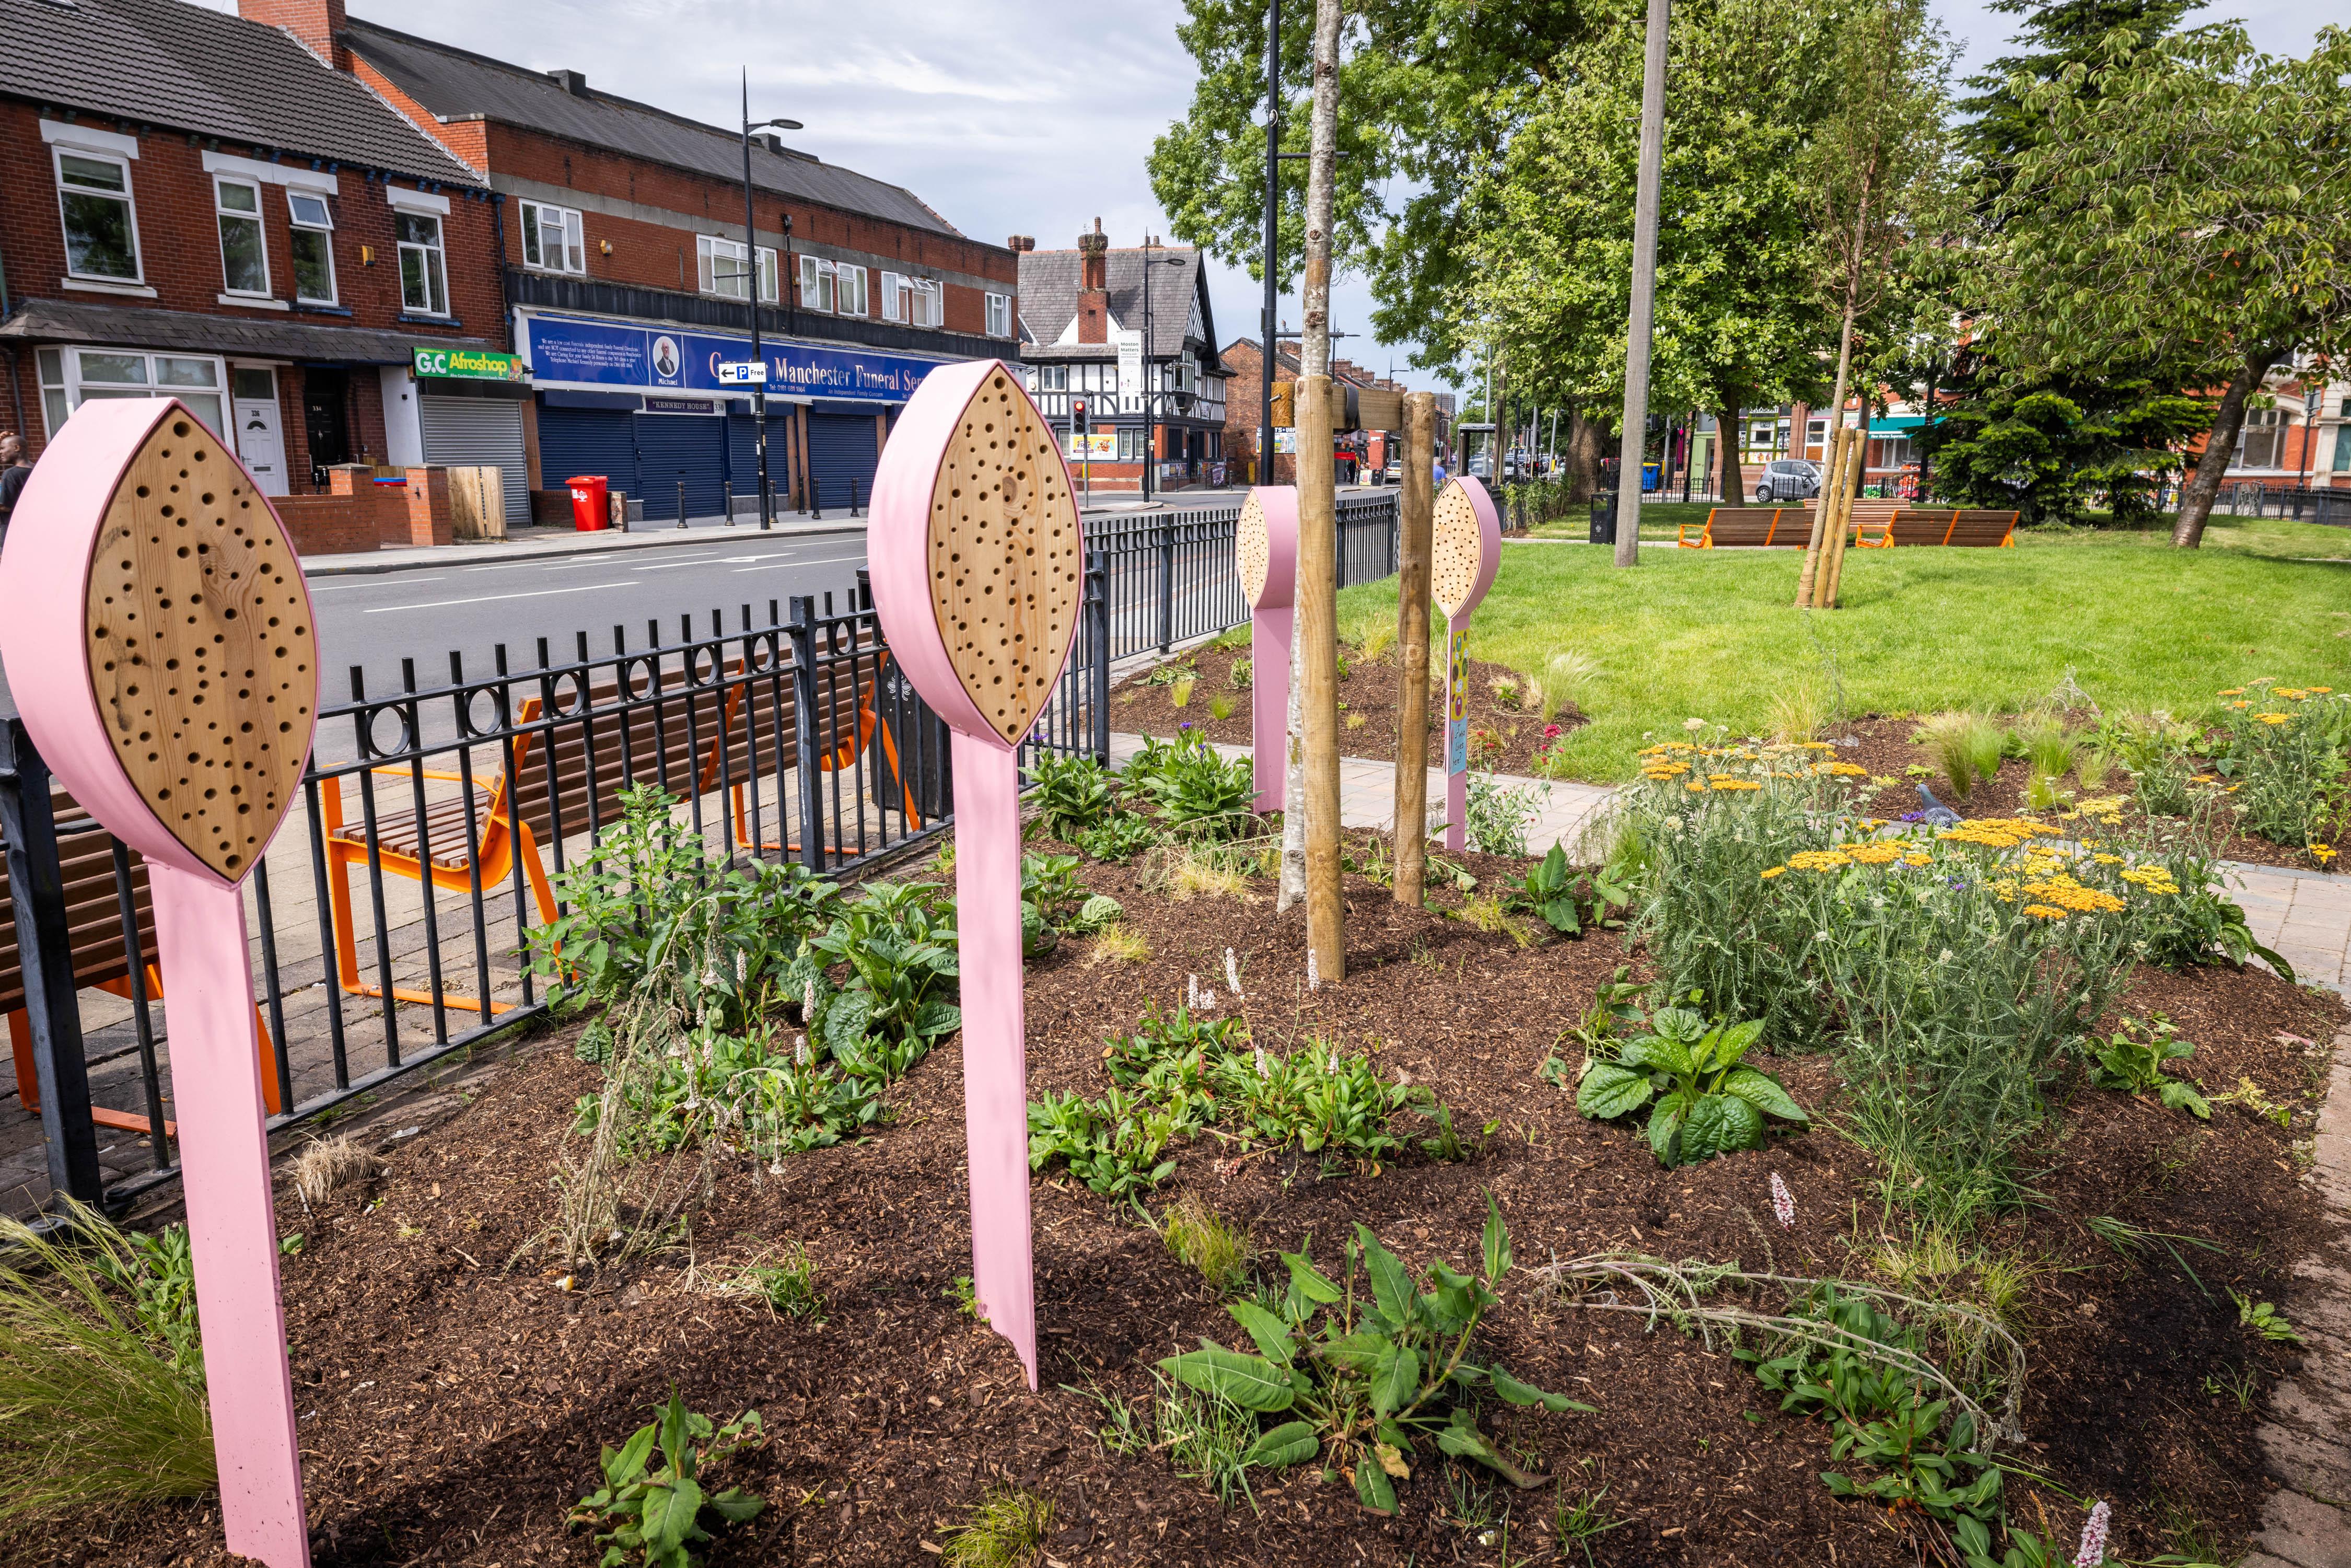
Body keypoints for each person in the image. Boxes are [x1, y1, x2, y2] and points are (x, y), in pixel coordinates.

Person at [0, 435, 30, 550]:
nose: (1, 452)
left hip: (12, 533)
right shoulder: (36, 470)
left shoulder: (10, 474)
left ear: (17, 448)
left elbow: (6, 506)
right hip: (30, 530)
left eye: (3, 448)